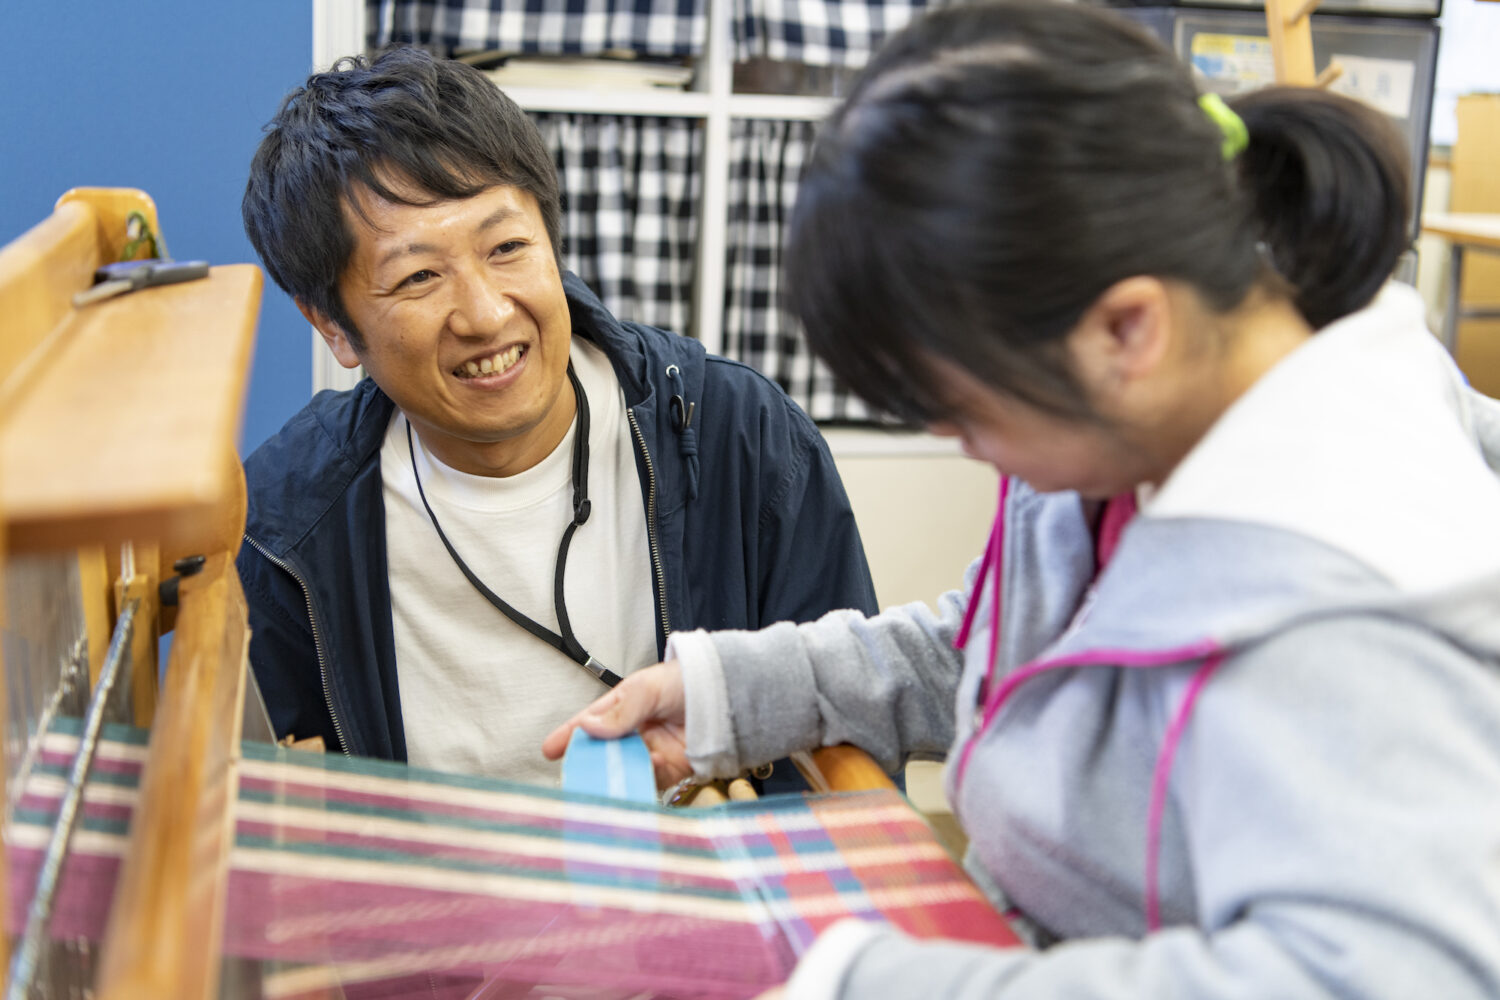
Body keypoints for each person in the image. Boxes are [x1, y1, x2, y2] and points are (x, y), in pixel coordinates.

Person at [543, 1, 1500, 996]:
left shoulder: (1350, 589)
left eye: (963, 409)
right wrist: (729, 691)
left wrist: (871, 978)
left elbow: (1372, 975)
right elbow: (1008, 647)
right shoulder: (1130, 436)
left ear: (1126, 330)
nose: (955, 443)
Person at [236, 46, 877, 785]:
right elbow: (288, 820)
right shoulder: (286, 525)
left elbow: (849, 722)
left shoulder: (743, 437)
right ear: (332, 326)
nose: (485, 314)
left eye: (507, 247)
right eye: (417, 276)